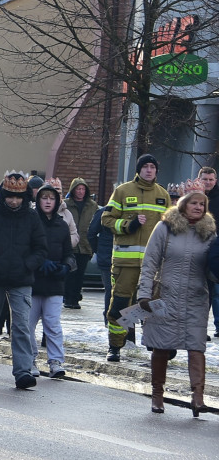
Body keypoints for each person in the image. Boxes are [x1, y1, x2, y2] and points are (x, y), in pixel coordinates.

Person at [141, 186, 216, 415]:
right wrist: (144, 292)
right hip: (167, 295)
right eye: (194, 203)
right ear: (183, 205)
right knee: (162, 346)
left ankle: (198, 398)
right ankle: (157, 396)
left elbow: (213, 267)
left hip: (196, 298)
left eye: (202, 204)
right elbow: (150, 260)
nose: (198, 207)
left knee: (196, 347)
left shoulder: (209, 232)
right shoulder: (166, 227)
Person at [0, 172, 47, 389]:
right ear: (3, 195)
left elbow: (41, 249)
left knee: (22, 326)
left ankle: (23, 371)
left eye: (19, 197)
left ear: (25, 198)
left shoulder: (32, 217)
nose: (14, 201)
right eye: (10, 196)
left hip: (22, 279)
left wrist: (26, 264)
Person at [102, 154, 170, 362]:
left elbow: (170, 229)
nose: (149, 170)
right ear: (139, 170)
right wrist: (128, 225)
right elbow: (106, 219)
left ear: (156, 171)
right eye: (145, 167)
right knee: (120, 305)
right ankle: (115, 346)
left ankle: (155, 344)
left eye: (152, 167)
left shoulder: (163, 195)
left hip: (153, 266)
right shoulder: (122, 191)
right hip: (126, 262)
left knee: (154, 306)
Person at [29, 183, 75, 379]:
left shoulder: (62, 225)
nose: (48, 201)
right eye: (44, 197)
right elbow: (24, 250)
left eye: (52, 198)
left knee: (52, 324)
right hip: (31, 281)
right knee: (27, 324)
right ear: (38, 200)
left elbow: (69, 253)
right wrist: (38, 262)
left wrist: (66, 266)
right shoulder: (30, 222)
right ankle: (29, 359)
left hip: (55, 281)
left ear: (57, 202)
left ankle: (56, 361)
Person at [63, 178, 97, 309]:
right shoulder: (66, 204)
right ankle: (68, 298)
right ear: (73, 190)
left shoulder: (92, 205)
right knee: (69, 273)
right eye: (78, 189)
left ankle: (76, 298)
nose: (81, 192)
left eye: (83, 189)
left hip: (85, 244)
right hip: (69, 243)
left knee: (80, 274)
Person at [198, 167, 219, 338]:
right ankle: (198, 327)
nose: (208, 182)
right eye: (205, 179)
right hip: (196, 248)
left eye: (211, 179)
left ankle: (206, 327)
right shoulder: (193, 198)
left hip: (215, 250)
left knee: (212, 292)